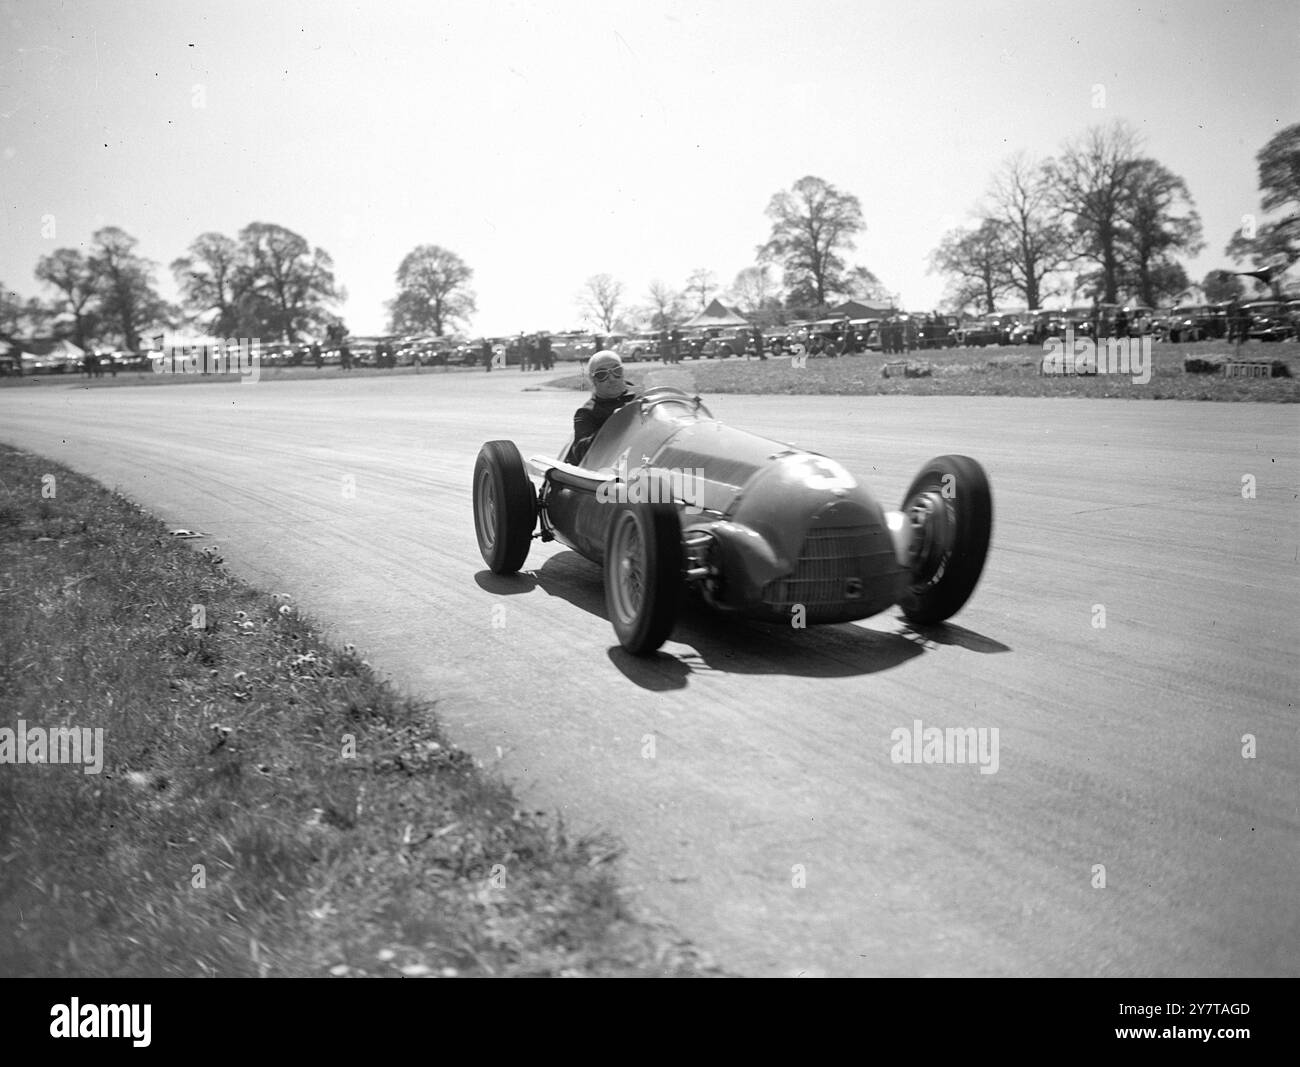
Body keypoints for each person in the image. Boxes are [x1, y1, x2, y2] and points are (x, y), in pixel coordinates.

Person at [570, 351, 635, 464]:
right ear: (593, 380)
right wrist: (613, 425)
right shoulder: (587, 413)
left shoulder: (641, 396)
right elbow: (581, 452)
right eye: (602, 374)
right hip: (615, 470)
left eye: (616, 371)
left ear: (623, 372)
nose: (612, 378)